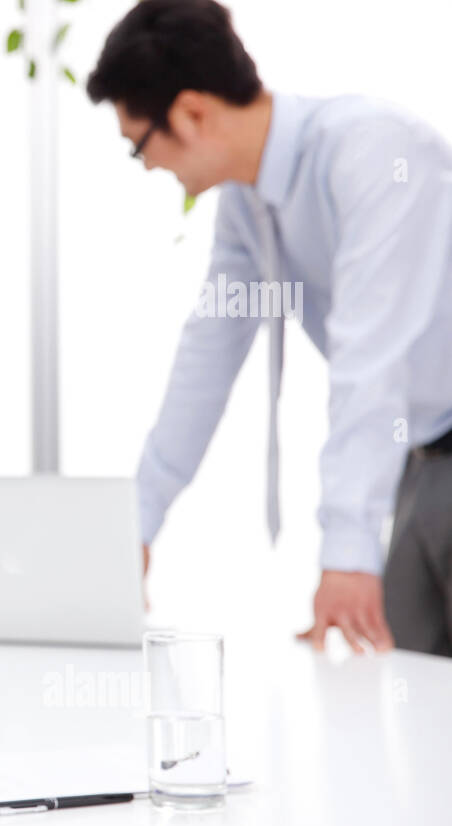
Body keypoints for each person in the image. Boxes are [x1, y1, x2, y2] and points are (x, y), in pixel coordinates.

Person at [87, 0, 452, 656]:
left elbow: (370, 358)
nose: (146, 166)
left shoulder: (372, 151)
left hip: (427, 455)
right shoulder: (247, 207)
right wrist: (134, 524)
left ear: (192, 112)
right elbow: (206, 359)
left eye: (139, 144)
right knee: (412, 696)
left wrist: (347, 549)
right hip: (419, 465)